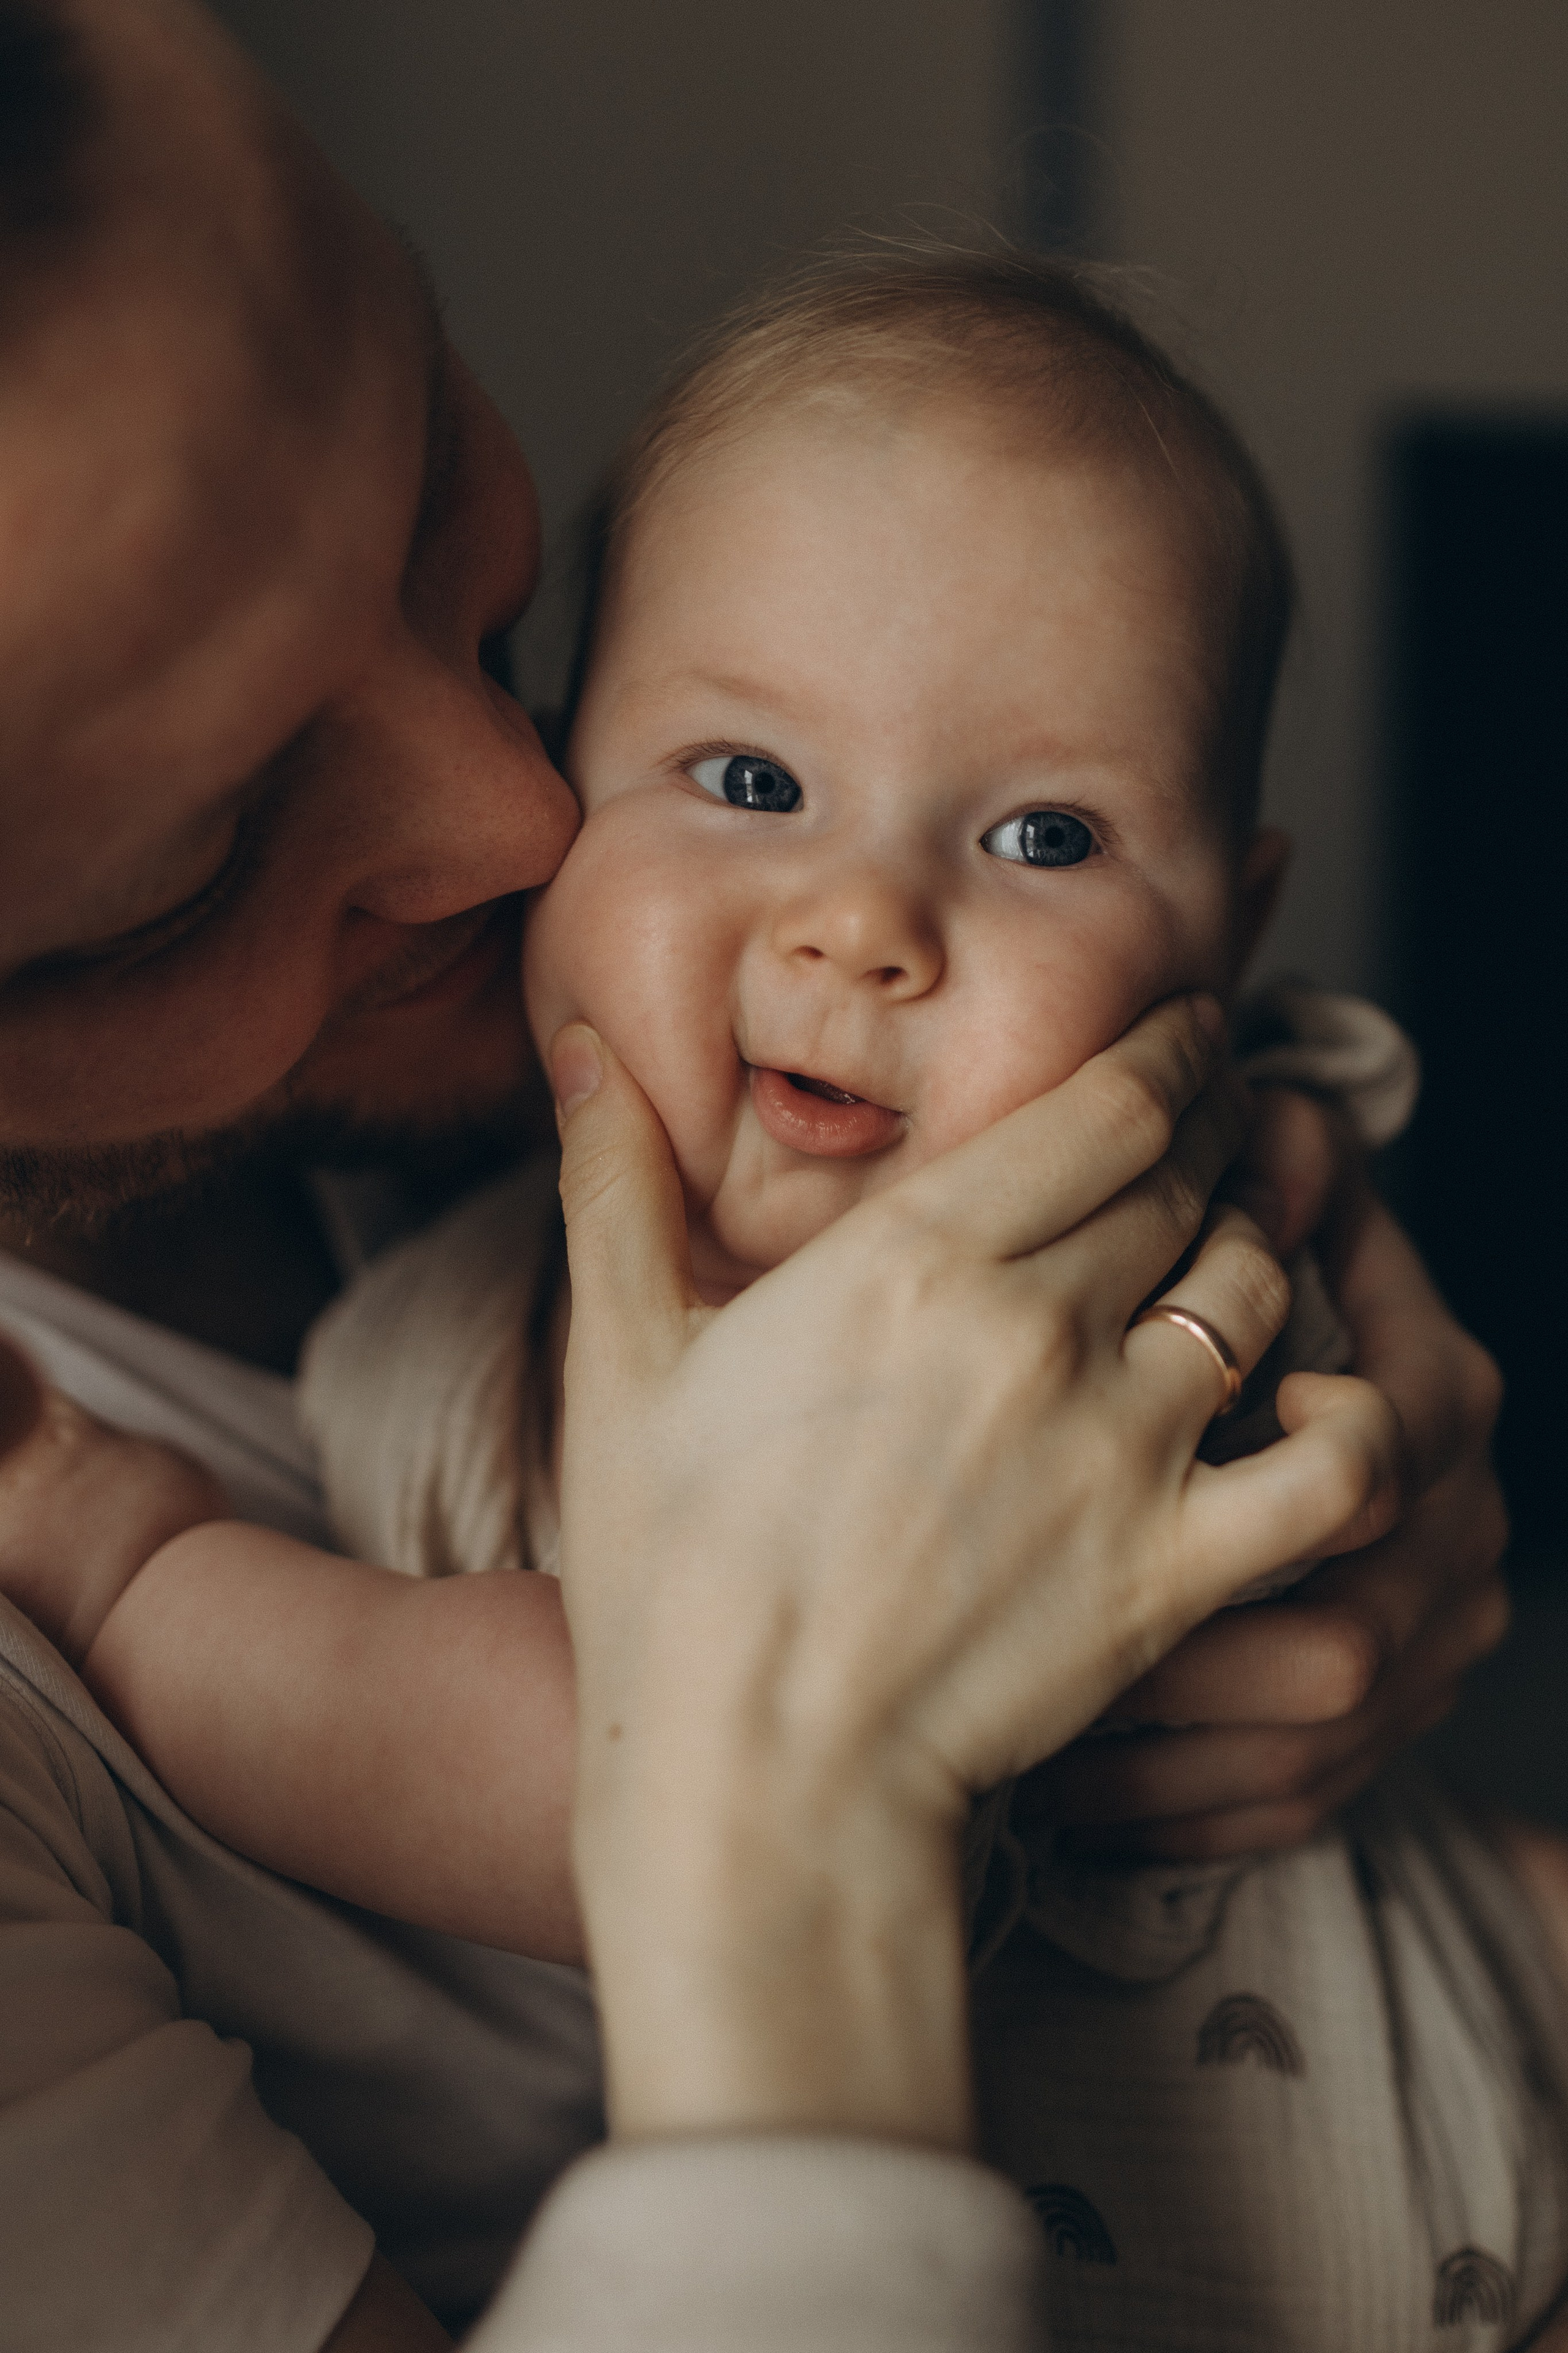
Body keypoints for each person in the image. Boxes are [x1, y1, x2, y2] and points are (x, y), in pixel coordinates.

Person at [0, 4, 1509, 2347]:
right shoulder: (507, 1356)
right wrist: (117, 1545)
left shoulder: (1184, 1121)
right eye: (201, 859)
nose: (520, 818)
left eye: (425, 494)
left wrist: (1390, 1453)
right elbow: (583, 1767)